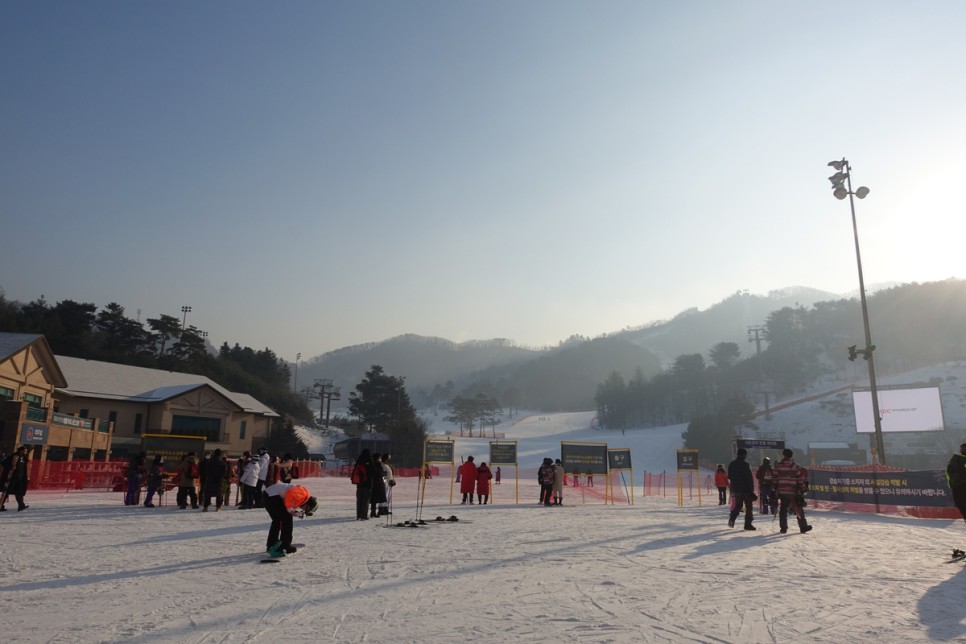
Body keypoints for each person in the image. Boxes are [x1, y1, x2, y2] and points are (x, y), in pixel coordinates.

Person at [263, 481, 318, 555]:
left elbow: (288, 503)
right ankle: (285, 545)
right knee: (287, 519)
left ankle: (271, 543)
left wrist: (293, 512)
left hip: (268, 495)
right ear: (308, 505)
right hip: (272, 496)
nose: (303, 510)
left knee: (277, 520)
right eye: (306, 510)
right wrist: (291, 511)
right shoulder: (304, 494)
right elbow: (290, 494)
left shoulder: (303, 497)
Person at [774, 448, 812, 534]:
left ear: (783, 455)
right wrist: (802, 489)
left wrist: (776, 489)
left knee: (783, 509)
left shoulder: (778, 466)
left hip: (782, 491)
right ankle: (803, 527)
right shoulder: (796, 466)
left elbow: (774, 479)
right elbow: (800, 479)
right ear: (792, 456)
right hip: (793, 491)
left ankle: (783, 528)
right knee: (798, 508)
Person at [727, 448, 756, 530]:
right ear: (744, 455)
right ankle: (748, 524)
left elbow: (729, 476)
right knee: (749, 507)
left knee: (738, 506)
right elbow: (749, 478)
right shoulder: (746, 464)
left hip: (736, 489)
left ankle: (731, 519)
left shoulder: (732, 464)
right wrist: (751, 490)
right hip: (746, 490)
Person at [0, 446, 30, 512]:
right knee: (6, 492)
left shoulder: (24, 459)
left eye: (26, 451)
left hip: (19, 479)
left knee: (19, 492)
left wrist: (27, 478)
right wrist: (11, 467)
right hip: (11, 479)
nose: (25, 452)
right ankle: (0, 505)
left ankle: (21, 505)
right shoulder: (14, 457)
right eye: (24, 451)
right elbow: (4, 464)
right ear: (20, 451)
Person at [351, 449, 375, 520]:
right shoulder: (370, 461)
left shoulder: (359, 462)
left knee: (359, 501)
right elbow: (373, 472)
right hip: (368, 484)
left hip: (359, 485)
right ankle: (363, 515)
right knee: (365, 501)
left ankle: (358, 515)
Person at [947, 444, 966, 522]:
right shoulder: (956, 460)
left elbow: (948, 472)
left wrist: (950, 484)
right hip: (958, 486)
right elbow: (948, 472)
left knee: (961, 504)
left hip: (958, 486)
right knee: (960, 504)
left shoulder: (954, 460)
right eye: (963, 449)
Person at [369, 453, 388, 518]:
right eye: (379, 458)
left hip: (379, 484)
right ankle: (373, 512)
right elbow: (377, 473)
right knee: (374, 500)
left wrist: (385, 481)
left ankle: (374, 512)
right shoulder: (373, 465)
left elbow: (383, 474)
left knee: (376, 500)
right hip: (375, 484)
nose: (380, 459)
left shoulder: (379, 465)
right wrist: (383, 474)